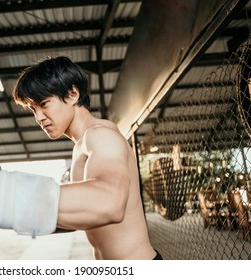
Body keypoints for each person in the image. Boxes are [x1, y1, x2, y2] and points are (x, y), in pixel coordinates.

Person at [12, 55, 161, 260]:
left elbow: (110, 202)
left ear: (73, 94)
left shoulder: (100, 135)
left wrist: (9, 197)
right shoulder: (81, 145)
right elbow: (90, 216)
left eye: (44, 104)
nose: (38, 118)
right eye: (33, 109)